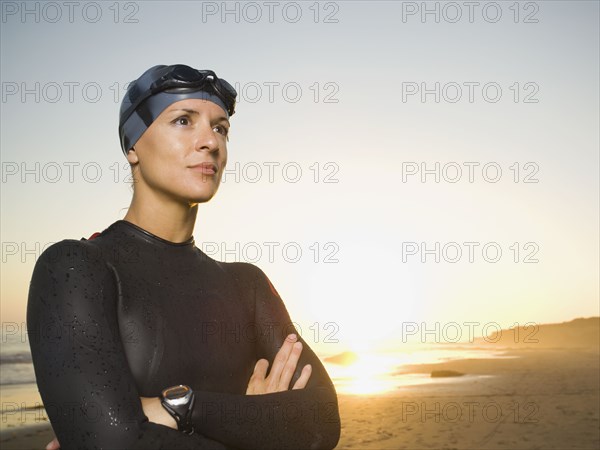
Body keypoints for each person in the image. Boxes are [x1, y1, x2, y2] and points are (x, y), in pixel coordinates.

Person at [27, 64, 341, 450]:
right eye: (183, 121)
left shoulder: (247, 284)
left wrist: (182, 408)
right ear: (132, 146)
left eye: (220, 128)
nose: (210, 141)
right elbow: (111, 441)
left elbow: (321, 422)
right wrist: (252, 423)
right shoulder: (75, 268)